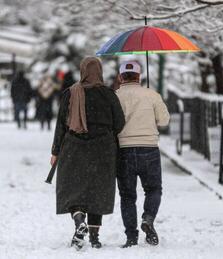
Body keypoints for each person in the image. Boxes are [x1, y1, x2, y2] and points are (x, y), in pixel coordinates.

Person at [50, 57, 125, 250]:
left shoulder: (71, 93)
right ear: (99, 71)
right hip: (103, 149)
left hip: (73, 147)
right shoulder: (109, 95)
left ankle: (78, 220)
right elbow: (120, 123)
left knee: (73, 187)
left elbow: (61, 125)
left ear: (82, 71)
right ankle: (94, 236)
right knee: (98, 189)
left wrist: (55, 152)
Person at [116, 60, 170, 248]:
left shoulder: (115, 96)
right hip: (149, 149)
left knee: (127, 195)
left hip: (123, 151)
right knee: (153, 189)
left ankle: (131, 236)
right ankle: (148, 218)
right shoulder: (152, 95)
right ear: (139, 76)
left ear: (120, 76)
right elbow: (164, 121)